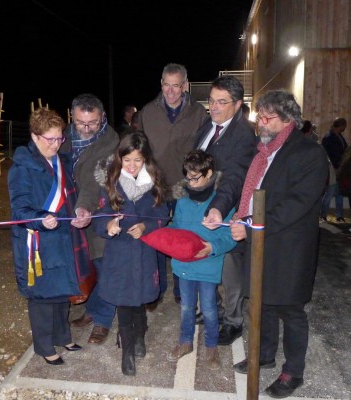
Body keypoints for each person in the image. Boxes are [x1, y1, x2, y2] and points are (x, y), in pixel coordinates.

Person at [229, 90, 328, 399]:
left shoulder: (308, 153)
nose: (260, 123)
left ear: (288, 119)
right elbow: (254, 190)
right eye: (259, 116)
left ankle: (293, 371)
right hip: (261, 242)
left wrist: (253, 224)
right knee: (262, 303)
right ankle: (265, 355)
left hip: (288, 247)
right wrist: (240, 218)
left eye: (266, 118)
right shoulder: (265, 149)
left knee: (290, 309)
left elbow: (297, 203)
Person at [8, 108, 86, 366]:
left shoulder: (61, 161)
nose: (56, 144)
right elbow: (19, 209)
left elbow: (70, 196)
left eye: (60, 138)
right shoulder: (22, 167)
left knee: (62, 292)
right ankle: (44, 346)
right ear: (35, 136)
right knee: (43, 296)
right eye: (50, 139)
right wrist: (40, 218)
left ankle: (63, 335)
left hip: (62, 236)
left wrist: (78, 213)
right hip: (38, 242)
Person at [91, 131, 169, 376]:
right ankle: (127, 350)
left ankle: (140, 337)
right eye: (127, 160)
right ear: (119, 159)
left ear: (145, 159)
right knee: (125, 302)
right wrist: (108, 226)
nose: (132, 165)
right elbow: (99, 218)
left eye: (137, 160)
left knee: (140, 301)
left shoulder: (154, 183)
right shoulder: (110, 185)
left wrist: (147, 226)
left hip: (145, 253)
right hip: (120, 255)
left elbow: (163, 215)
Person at [136, 63, 207, 305]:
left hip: (185, 189)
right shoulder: (147, 112)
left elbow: (203, 151)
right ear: (161, 84)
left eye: (176, 86)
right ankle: (155, 288)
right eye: (166, 85)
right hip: (154, 187)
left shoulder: (198, 113)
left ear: (185, 85)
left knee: (182, 237)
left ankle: (182, 289)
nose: (171, 91)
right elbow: (139, 148)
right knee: (155, 236)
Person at [196, 75, 256, 346]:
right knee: (210, 263)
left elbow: (234, 178)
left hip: (228, 210)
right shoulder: (208, 125)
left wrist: (218, 208)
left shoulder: (243, 135)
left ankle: (233, 320)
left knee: (230, 269)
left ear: (237, 105)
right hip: (204, 207)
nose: (215, 107)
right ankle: (215, 310)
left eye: (222, 102)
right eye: (211, 100)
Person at [167, 150, 237, 370]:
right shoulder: (183, 200)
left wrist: (212, 247)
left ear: (209, 173)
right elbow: (176, 226)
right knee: (187, 306)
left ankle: (211, 346)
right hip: (184, 264)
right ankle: (185, 342)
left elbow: (229, 237)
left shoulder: (222, 202)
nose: (190, 182)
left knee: (209, 307)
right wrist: (165, 235)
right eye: (187, 176)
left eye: (195, 177)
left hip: (208, 265)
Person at [65, 94, 119, 346]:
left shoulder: (110, 141)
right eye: (80, 123)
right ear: (71, 117)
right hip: (69, 212)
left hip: (98, 210)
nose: (86, 129)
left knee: (105, 266)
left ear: (103, 118)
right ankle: (92, 310)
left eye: (93, 123)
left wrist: (84, 207)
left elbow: (92, 179)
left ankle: (103, 320)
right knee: (86, 268)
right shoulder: (62, 137)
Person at [320, 117, 348, 223]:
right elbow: (330, 153)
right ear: (341, 126)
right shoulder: (332, 138)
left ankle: (334, 214)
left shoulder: (333, 136)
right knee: (333, 191)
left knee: (335, 192)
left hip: (336, 166)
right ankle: (327, 214)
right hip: (333, 166)